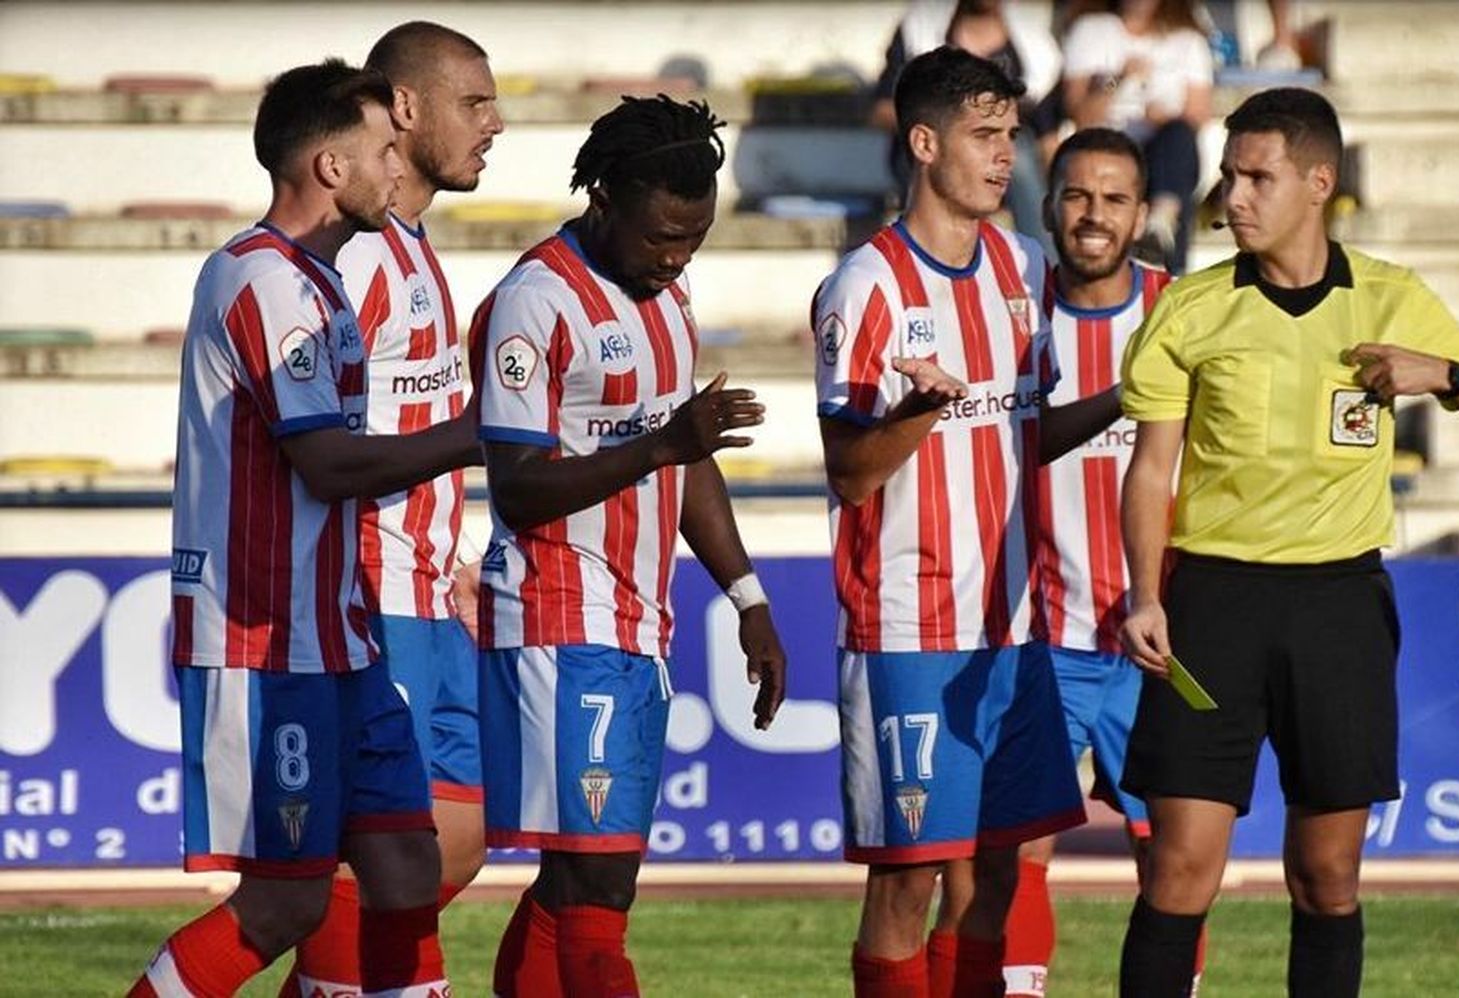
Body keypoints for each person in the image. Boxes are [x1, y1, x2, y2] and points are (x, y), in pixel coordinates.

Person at [1114, 87, 1459, 997]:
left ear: (1319, 183)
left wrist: (1448, 376)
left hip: (1338, 605)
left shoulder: (1392, 297)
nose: (1234, 196)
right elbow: (1151, 470)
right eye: (1229, 176)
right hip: (1212, 604)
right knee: (1181, 871)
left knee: (1327, 876)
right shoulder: (1190, 309)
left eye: (1257, 177)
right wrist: (1145, 591)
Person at [131, 59, 482, 996]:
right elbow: (324, 463)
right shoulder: (260, 282)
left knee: (409, 870)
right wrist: (477, 437)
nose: (392, 166)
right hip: (265, 639)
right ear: (331, 167)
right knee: (286, 902)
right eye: (378, 151)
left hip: (343, 635)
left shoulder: (321, 287)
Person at [472, 94, 788, 996]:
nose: (677, 256)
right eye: (661, 237)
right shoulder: (533, 303)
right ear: (603, 199)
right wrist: (660, 444)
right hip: (558, 613)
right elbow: (517, 483)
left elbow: (685, 461)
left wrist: (749, 601)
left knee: (582, 876)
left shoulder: (667, 298)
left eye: (694, 237)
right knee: (600, 877)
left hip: (637, 621)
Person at [814, 46, 1087, 997]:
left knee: (999, 870)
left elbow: (1027, 434)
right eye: (984, 135)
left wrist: (1135, 398)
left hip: (1013, 627)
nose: (1006, 154)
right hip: (909, 627)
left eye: (1011, 134)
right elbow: (850, 476)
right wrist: (917, 415)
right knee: (909, 880)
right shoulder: (868, 286)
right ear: (924, 143)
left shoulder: (1025, 268)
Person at [272, 23, 504, 995]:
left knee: (457, 836)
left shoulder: (408, 247)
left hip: (424, 586)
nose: (495, 124)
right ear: (404, 109)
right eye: (475, 103)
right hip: (369, 593)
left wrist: (452, 549)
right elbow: (321, 441)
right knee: (398, 850)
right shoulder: (357, 256)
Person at [1001, 126, 1207, 997]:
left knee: (1174, 851)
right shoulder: (1012, 313)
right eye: (1078, 196)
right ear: (1049, 206)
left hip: (1158, 638)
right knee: (1018, 846)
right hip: (1044, 631)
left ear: (1139, 211)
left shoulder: (1182, 313)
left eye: (1113, 198)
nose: (1093, 215)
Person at [872, 0, 1063, 255]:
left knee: (1021, 154)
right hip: (929, 157)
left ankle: (1049, 269)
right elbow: (880, 111)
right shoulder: (920, 28)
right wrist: (944, 116)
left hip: (1017, 177)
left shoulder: (1034, 46)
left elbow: (1047, 135)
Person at [1059, 0, 1213, 273]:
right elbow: (1081, 114)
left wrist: (1160, 119)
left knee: (1178, 139)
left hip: (1166, 151)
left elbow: (1198, 117)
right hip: (1108, 146)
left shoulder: (1188, 41)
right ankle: (1159, 241)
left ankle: (1160, 229)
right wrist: (1119, 79)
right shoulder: (1092, 30)